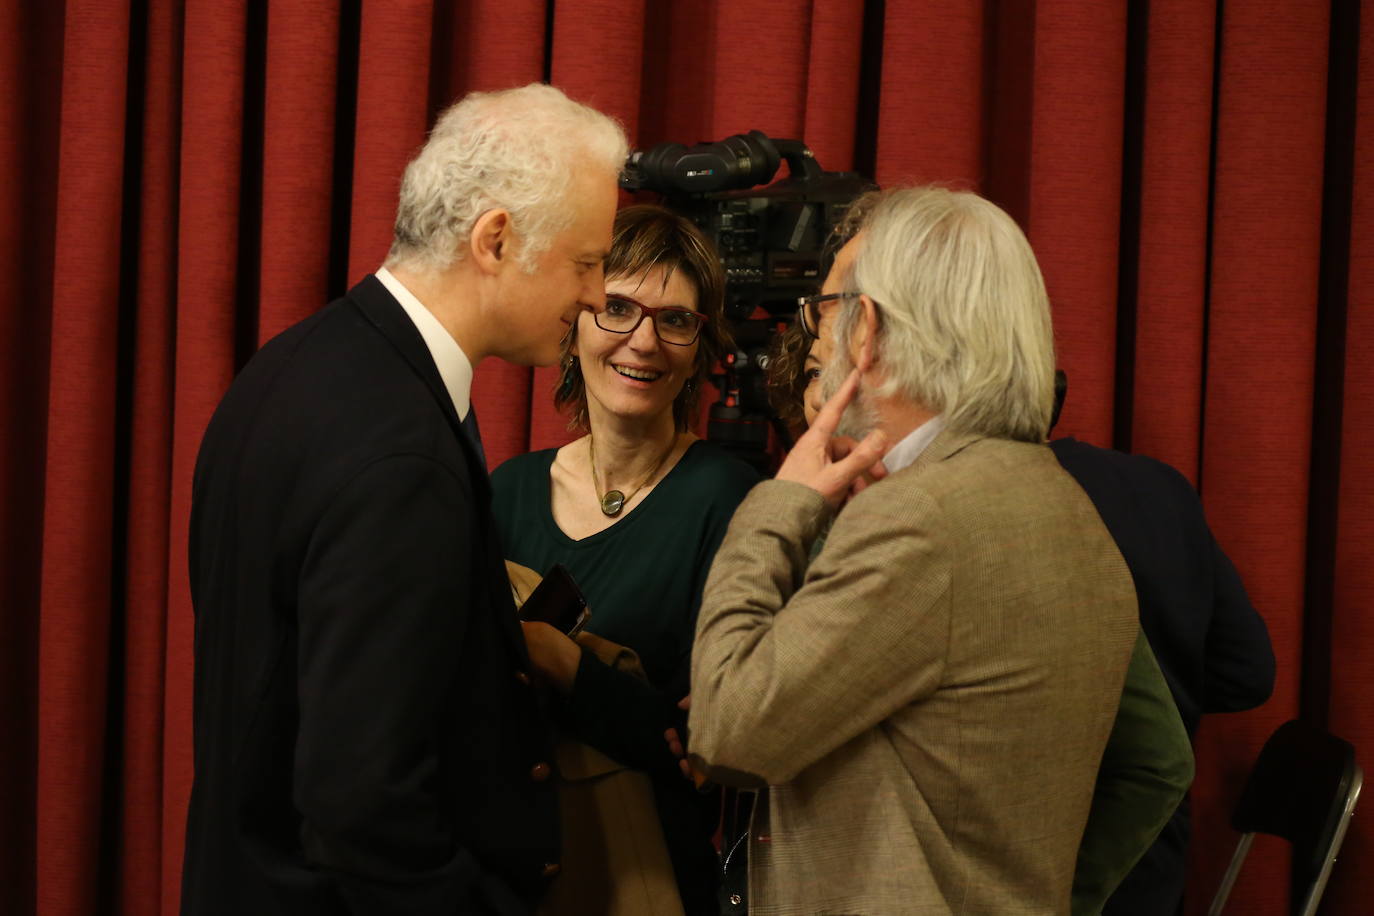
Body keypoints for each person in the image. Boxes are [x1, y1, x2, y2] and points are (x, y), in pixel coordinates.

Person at [182, 84, 626, 915]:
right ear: (496, 239)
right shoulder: (402, 454)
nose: (598, 297)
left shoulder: (290, 366)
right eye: (588, 262)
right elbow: (361, 804)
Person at [687, 186, 1141, 913]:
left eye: (824, 310)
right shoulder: (1064, 503)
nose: (815, 335)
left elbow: (729, 731)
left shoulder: (919, 520)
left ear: (866, 330)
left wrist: (781, 503)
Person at [763, 324, 1196, 915]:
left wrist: (1057, 896)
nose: (827, 390)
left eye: (856, 363)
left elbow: (1158, 762)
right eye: (815, 371)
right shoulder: (809, 528)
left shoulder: (995, 532)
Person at [491, 204, 759, 915]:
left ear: (699, 347)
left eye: (674, 320)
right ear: (574, 323)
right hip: (506, 878)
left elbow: (697, 753)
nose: (643, 341)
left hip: (650, 881)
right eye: (616, 308)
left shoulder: (730, 501)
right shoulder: (506, 492)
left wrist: (556, 659)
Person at [1048, 436, 1274, 915]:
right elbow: (1248, 673)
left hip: (1044, 863)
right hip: (1153, 860)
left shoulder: (963, 507)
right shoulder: (1159, 485)